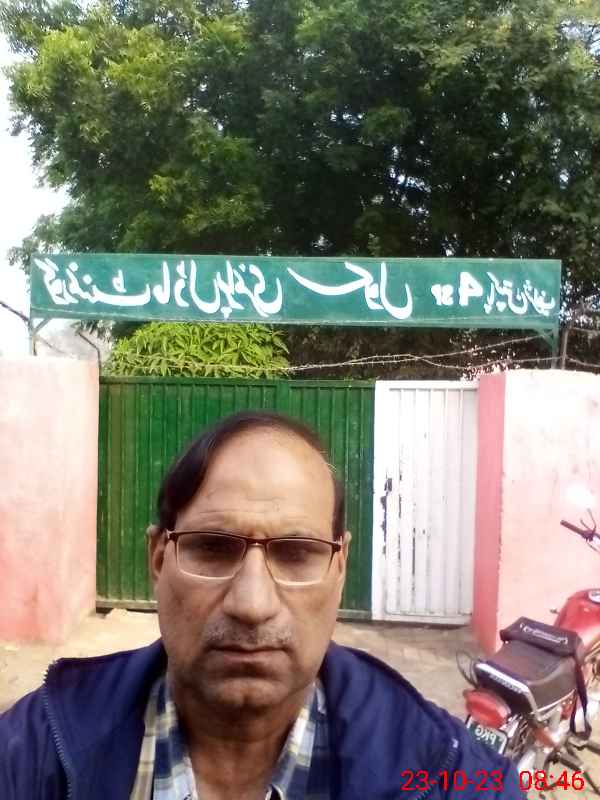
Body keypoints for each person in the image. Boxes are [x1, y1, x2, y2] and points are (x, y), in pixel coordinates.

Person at [0, 410, 524, 799]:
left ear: (339, 568)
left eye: (296, 553)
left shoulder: (452, 777)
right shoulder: (30, 753)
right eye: (212, 548)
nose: (252, 604)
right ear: (158, 559)